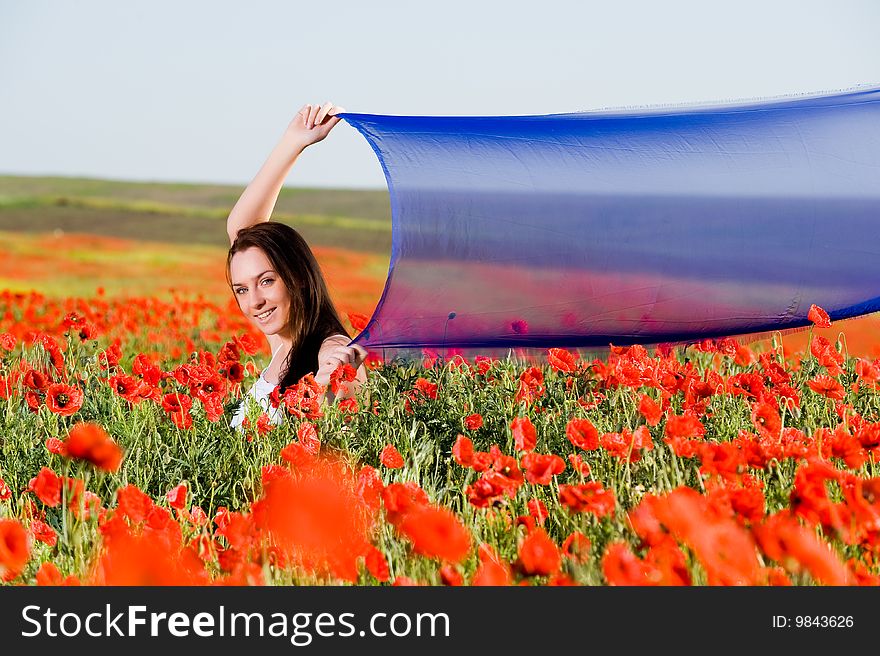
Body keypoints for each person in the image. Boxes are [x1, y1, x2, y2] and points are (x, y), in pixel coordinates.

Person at [227, 101, 368, 430]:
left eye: (266, 281)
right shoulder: (282, 343)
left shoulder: (330, 348)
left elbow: (338, 448)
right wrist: (293, 142)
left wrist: (327, 381)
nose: (254, 302)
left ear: (298, 278)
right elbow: (241, 231)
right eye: (242, 289)